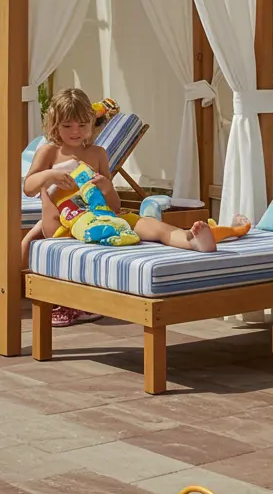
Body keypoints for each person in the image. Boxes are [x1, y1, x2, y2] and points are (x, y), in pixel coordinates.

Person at [22, 88, 220, 327]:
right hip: (69, 226)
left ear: (92, 123)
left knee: (152, 226)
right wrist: (49, 175)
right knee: (81, 243)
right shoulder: (50, 152)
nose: (76, 131)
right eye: (67, 126)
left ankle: (192, 240)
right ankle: (72, 301)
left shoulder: (97, 154)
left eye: (82, 125)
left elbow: (114, 205)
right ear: (55, 125)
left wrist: (106, 187)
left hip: (105, 217)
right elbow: (29, 188)